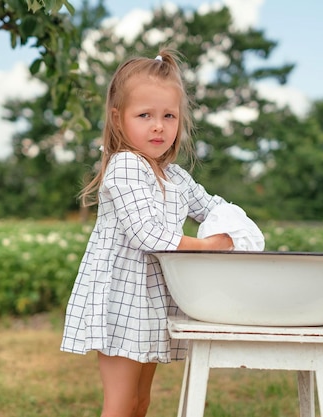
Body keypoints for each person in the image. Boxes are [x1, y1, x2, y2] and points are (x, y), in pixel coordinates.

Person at [60, 47, 235, 417]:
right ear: (118, 119)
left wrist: (236, 229)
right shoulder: (124, 167)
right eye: (145, 115)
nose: (159, 126)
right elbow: (147, 235)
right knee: (121, 403)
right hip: (120, 300)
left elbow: (213, 208)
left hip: (151, 301)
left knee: (141, 402)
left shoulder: (175, 177)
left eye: (169, 116)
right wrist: (206, 245)